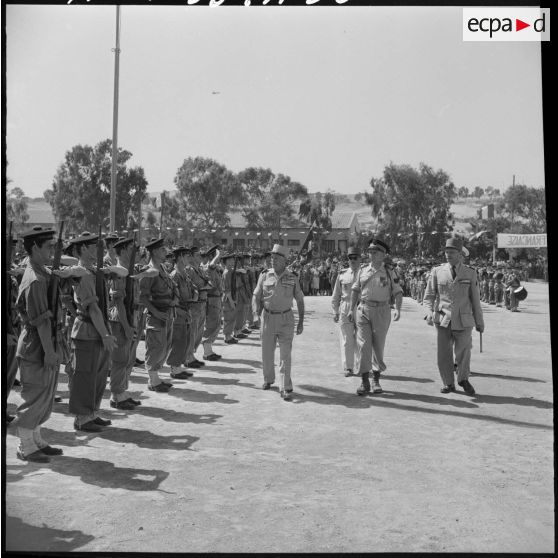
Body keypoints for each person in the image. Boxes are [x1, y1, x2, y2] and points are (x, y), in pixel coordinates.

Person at [11, 227, 63, 462]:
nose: (52, 250)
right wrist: (50, 352)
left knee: (45, 394)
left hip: (44, 342)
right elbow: (41, 321)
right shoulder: (34, 279)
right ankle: (26, 445)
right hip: (36, 346)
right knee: (33, 396)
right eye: (48, 246)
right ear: (34, 248)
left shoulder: (42, 273)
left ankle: (36, 439)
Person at [68, 231, 118, 432]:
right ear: (82, 249)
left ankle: (92, 412)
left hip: (97, 328)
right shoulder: (83, 273)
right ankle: (82, 417)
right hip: (87, 330)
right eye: (92, 247)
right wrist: (105, 334)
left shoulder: (94, 272)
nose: (98, 250)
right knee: (85, 375)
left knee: (98, 375)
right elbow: (93, 308)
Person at [423, 236, 484, 396]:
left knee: (463, 352)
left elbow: (475, 300)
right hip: (443, 319)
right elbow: (429, 296)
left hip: (464, 320)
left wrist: (479, 321)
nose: (448, 255)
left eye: (451, 252)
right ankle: (448, 383)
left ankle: (463, 379)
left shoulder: (470, 273)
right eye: (446, 252)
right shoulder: (437, 271)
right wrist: (429, 312)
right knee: (443, 354)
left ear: (459, 254)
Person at [349, 238, 402, 395]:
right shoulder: (363, 270)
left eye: (375, 252)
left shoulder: (389, 271)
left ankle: (376, 379)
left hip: (382, 311)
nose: (371, 254)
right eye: (370, 252)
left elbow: (398, 291)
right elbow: (355, 290)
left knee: (378, 346)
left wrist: (398, 308)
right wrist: (352, 309)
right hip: (363, 310)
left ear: (383, 254)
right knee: (364, 345)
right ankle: (364, 381)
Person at [252, 244, 304, 401]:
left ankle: (285, 386)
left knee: (285, 355)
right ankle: (268, 379)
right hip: (267, 317)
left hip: (286, 319)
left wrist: (301, 321)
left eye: (276, 258)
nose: (272, 260)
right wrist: (255, 314)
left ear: (284, 260)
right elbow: (256, 296)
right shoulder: (264, 275)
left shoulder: (293, 277)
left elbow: (300, 300)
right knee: (267, 352)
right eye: (272, 258)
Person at [139, 237, 178, 392]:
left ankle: (156, 377)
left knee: (165, 345)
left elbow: (171, 286)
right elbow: (142, 297)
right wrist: (155, 312)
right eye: (162, 249)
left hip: (168, 312)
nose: (165, 251)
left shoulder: (162, 268)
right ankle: (153, 380)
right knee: (156, 346)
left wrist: (175, 298)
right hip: (156, 314)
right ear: (154, 251)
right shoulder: (149, 271)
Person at [331, 246, 361, 377]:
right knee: (346, 339)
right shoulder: (342, 274)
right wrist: (335, 310)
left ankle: (361, 366)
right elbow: (336, 294)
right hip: (345, 306)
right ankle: (348, 367)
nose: (352, 260)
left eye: (355, 258)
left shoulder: (365, 273)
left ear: (360, 258)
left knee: (362, 339)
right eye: (350, 258)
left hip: (361, 307)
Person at [167, 246, 196, 378]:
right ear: (179, 257)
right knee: (178, 341)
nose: (189, 258)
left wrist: (194, 295)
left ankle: (178, 366)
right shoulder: (175, 275)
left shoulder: (185, 274)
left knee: (185, 340)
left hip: (186, 310)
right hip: (178, 312)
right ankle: (174, 368)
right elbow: (174, 296)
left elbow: (193, 290)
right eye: (187, 256)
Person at [201, 245, 224, 360]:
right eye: (216, 256)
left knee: (216, 325)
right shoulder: (209, 267)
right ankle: (206, 352)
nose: (219, 258)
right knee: (211, 325)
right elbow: (210, 266)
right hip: (212, 299)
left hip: (217, 298)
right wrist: (217, 256)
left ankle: (209, 350)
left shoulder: (216, 269)